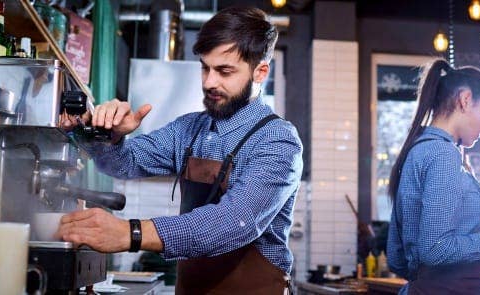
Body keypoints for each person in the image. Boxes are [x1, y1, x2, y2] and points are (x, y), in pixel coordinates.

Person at [58, 6, 303, 294]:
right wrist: (109, 138)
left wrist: (131, 233)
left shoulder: (277, 140)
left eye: (224, 71)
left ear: (260, 72)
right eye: (205, 67)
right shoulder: (189, 129)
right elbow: (123, 164)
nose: (209, 82)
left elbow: (235, 221)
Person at [386, 59, 480, 295]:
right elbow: (436, 248)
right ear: (465, 100)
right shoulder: (443, 153)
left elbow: (397, 257)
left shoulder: (417, 150)